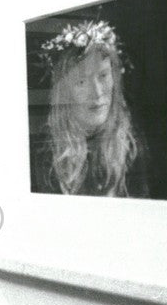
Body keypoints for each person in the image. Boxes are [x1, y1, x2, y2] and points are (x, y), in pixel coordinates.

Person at [30, 19, 149, 197]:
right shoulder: (44, 153)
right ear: (64, 92)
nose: (97, 92)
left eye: (103, 76)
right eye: (81, 81)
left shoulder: (130, 144)